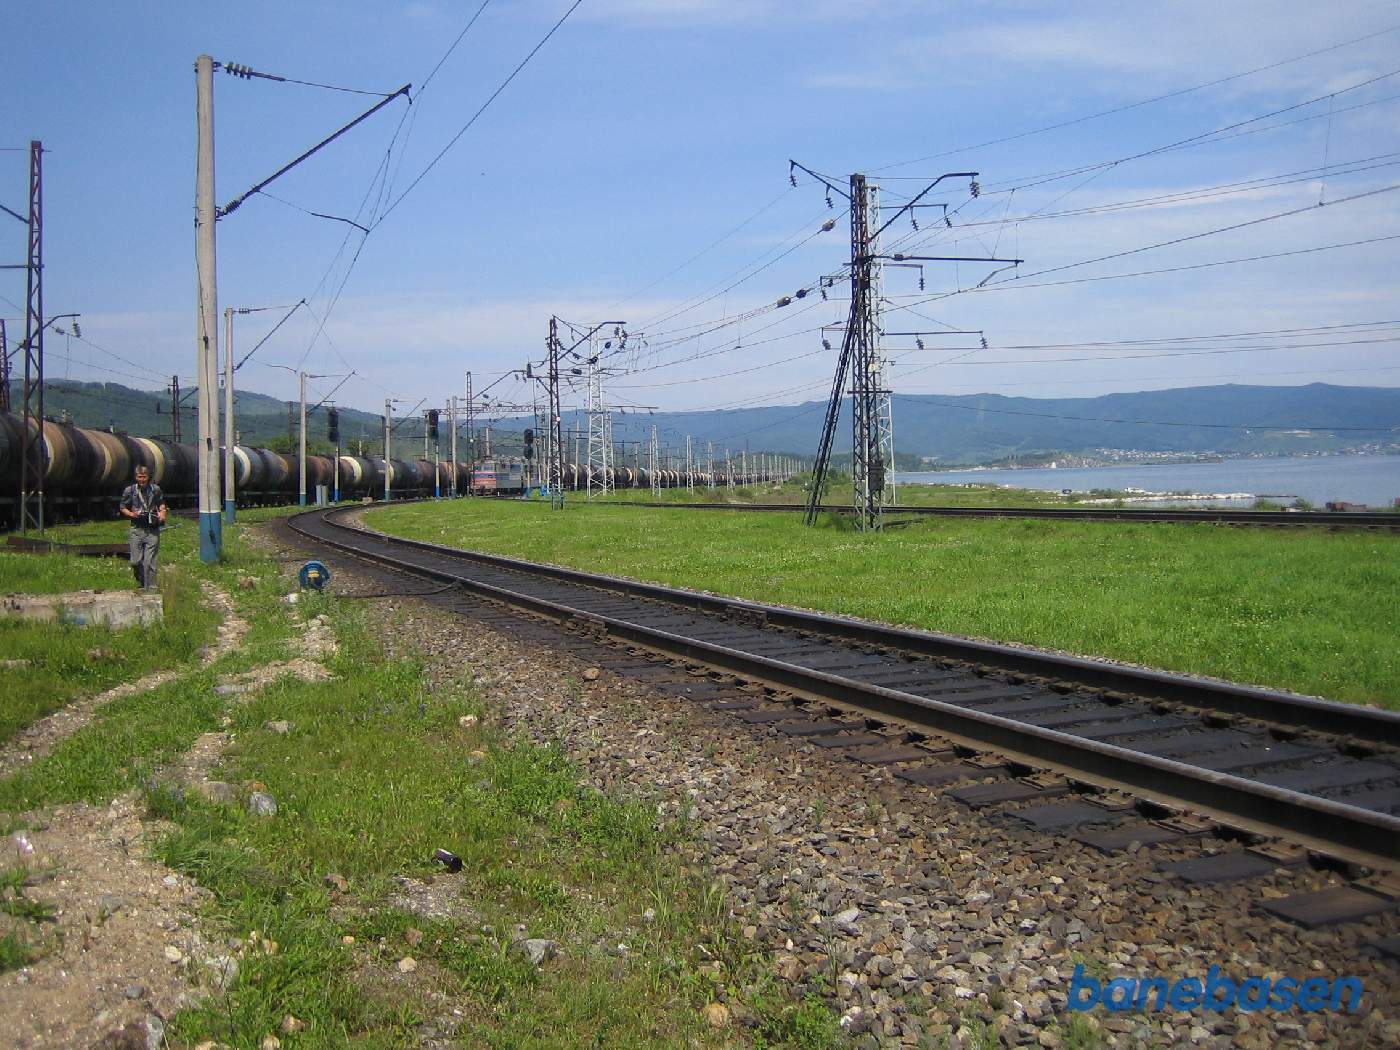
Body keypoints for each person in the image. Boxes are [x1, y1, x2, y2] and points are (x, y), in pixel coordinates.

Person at [119, 465, 167, 590]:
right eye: (140, 477)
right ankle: (141, 580)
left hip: (152, 529)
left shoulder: (155, 490)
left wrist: (162, 514)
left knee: (150, 561)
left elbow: (161, 503)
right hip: (136, 528)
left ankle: (151, 588)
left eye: (144, 477)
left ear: (148, 477)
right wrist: (132, 514)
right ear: (136, 477)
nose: (142, 480)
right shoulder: (130, 491)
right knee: (135, 561)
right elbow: (122, 507)